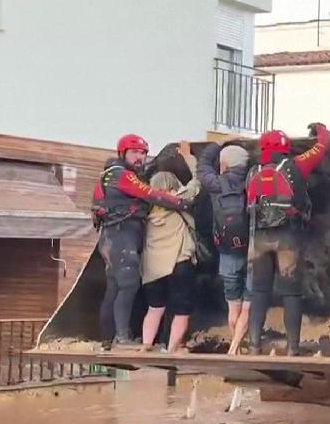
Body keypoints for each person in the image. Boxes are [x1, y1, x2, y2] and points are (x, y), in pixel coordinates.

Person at [92, 134, 187, 346]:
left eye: (143, 153)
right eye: (135, 152)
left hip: (111, 238)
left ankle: (107, 339)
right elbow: (149, 194)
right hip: (121, 237)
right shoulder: (121, 175)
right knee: (128, 285)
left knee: (115, 287)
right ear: (122, 153)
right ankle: (122, 337)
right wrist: (180, 202)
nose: (140, 158)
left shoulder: (108, 175)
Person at [246, 123, 330, 356]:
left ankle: (254, 345)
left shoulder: (253, 172)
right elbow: (324, 145)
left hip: (260, 238)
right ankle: (292, 347)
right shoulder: (296, 166)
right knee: (291, 293)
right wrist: (320, 129)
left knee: (260, 292)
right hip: (288, 237)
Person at [140, 159, 201, 353]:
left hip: (152, 267)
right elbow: (197, 183)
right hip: (179, 262)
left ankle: (146, 346)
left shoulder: (146, 208)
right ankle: (172, 349)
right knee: (182, 311)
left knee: (154, 308)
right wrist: (191, 160)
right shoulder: (178, 199)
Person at [197, 143, 252, 355]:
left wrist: (217, 145)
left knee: (233, 305)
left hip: (227, 251)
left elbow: (202, 166)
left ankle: (234, 350)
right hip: (251, 249)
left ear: (225, 163)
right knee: (248, 305)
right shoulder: (251, 181)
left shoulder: (216, 184)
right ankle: (236, 347)